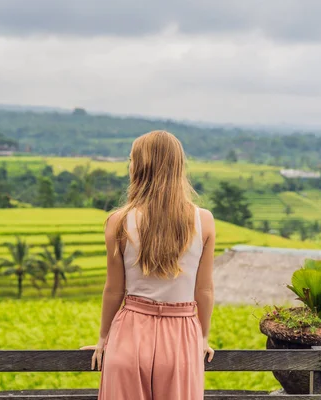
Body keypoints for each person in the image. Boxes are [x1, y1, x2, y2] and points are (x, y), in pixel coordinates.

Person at [81, 130, 216, 400]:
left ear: (141, 166)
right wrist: (202, 337)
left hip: (130, 334)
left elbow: (113, 290)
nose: (129, 165)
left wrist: (103, 337)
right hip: (182, 338)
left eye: (131, 160)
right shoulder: (204, 220)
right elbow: (204, 291)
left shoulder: (118, 221)